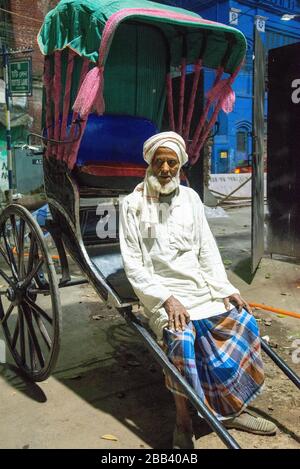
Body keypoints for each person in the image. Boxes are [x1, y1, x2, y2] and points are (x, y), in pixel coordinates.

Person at [119, 131, 277, 449]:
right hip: (164, 296)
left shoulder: (190, 199)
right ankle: (184, 420)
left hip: (201, 291)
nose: (165, 168)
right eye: (159, 162)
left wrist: (224, 288)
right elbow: (134, 265)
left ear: (179, 166)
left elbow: (207, 250)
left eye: (171, 162)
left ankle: (230, 409)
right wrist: (166, 300)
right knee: (181, 340)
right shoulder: (132, 205)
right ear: (149, 164)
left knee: (244, 323)